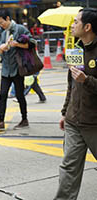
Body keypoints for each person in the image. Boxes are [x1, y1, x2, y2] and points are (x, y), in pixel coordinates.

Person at [54, 8, 97, 200]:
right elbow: (71, 84)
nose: (72, 25)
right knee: (68, 168)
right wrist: (65, 112)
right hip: (73, 121)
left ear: (87, 27)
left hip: (94, 123)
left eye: (76, 22)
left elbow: (82, 81)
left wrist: (87, 80)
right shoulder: (76, 49)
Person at [0, 9, 32, 130]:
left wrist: (17, 44)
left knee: (20, 95)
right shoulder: (4, 33)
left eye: (2, 22)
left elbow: (32, 43)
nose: (1, 25)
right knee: (3, 95)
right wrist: (1, 49)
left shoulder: (20, 29)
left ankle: (24, 119)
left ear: (8, 19)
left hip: (17, 68)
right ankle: (1, 121)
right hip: (6, 68)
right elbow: (0, 48)